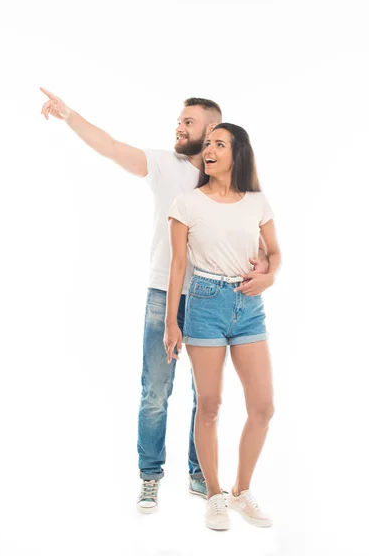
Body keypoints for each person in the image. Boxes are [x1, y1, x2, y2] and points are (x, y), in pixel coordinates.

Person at [40, 90, 270, 513]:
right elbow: (110, 147)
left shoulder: (229, 180)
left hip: (213, 297)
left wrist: (262, 270)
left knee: (207, 396)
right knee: (156, 390)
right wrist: (69, 114)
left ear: (211, 132)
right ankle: (150, 476)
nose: (179, 127)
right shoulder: (166, 165)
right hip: (164, 293)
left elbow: (253, 235)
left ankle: (202, 475)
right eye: (178, 121)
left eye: (189, 122)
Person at [164, 123, 281, 531]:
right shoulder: (187, 203)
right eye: (208, 143)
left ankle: (240, 491)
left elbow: (275, 253)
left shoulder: (256, 200)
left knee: (263, 407)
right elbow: (178, 266)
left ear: (238, 153)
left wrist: (269, 275)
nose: (210, 149)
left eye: (219, 144)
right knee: (209, 404)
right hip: (205, 303)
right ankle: (213, 495)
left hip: (249, 305)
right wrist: (171, 325)